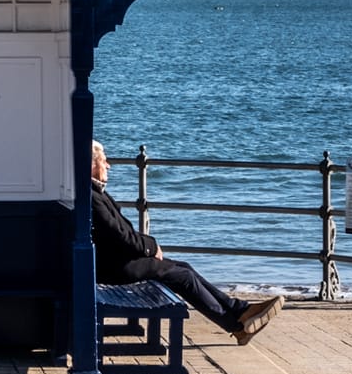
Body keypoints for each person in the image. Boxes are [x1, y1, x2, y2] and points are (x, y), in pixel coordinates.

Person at [90, 140, 284, 345]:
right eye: (104, 161)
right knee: (183, 277)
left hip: (116, 261)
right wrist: (151, 247)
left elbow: (121, 233)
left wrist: (148, 246)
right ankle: (236, 326)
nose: (108, 165)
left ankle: (240, 310)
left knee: (184, 267)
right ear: (91, 164)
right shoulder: (93, 197)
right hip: (114, 268)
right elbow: (121, 236)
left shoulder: (94, 192)